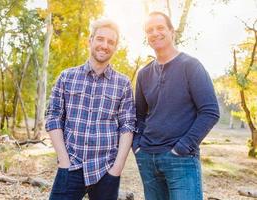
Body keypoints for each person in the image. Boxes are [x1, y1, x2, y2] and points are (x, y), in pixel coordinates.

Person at [133, 11, 220, 200]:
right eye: (149, 30)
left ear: (172, 32)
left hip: (181, 160)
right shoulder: (143, 74)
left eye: (160, 28)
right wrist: (137, 147)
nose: (155, 33)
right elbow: (138, 116)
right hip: (147, 158)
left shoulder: (191, 66)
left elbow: (210, 111)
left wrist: (182, 147)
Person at [45, 18, 135, 200]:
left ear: (115, 47)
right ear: (90, 41)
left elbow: (128, 125)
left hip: (106, 169)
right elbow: (53, 117)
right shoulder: (67, 77)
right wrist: (64, 160)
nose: (104, 45)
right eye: (100, 39)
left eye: (111, 42)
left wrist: (117, 169)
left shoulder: (123, 83)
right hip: (71, 165)